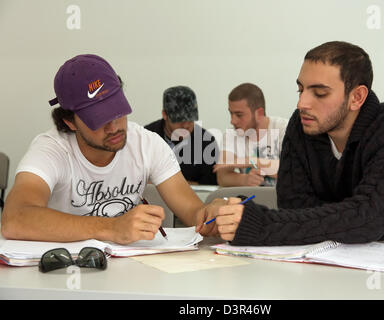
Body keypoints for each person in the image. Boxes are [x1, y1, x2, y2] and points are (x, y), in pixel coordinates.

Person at [208, 41, 384, 245]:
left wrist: (260, 225)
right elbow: (296, 209)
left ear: (357, 97)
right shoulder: (301, 126)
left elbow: (368, 218)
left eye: (319, 93)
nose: (302, 103)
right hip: (351, 252)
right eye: (300, 90)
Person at [1, 54, 221, 244]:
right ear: (69, 121)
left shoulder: (147, 144)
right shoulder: (51, 150)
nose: (114, 127)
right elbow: (14, 219)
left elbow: (193, 213)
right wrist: (111, 227)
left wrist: (212, 213)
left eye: (117, 111)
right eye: (99, 119)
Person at [214, 83, 288, 187]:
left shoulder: (284, 128)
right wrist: (245, 180)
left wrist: (250, 161)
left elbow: (292, 171)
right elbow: (222, 177)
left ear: (259, 113)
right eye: (231, 113)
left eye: (239, 115)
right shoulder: (231, 134)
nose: (232, 121)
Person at [144, 86, 218, 185]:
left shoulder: (206, 141)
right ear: (165, 114)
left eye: (190, 119)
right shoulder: (146, 138)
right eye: (179, 120)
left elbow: (210, 185)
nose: (186, 125)